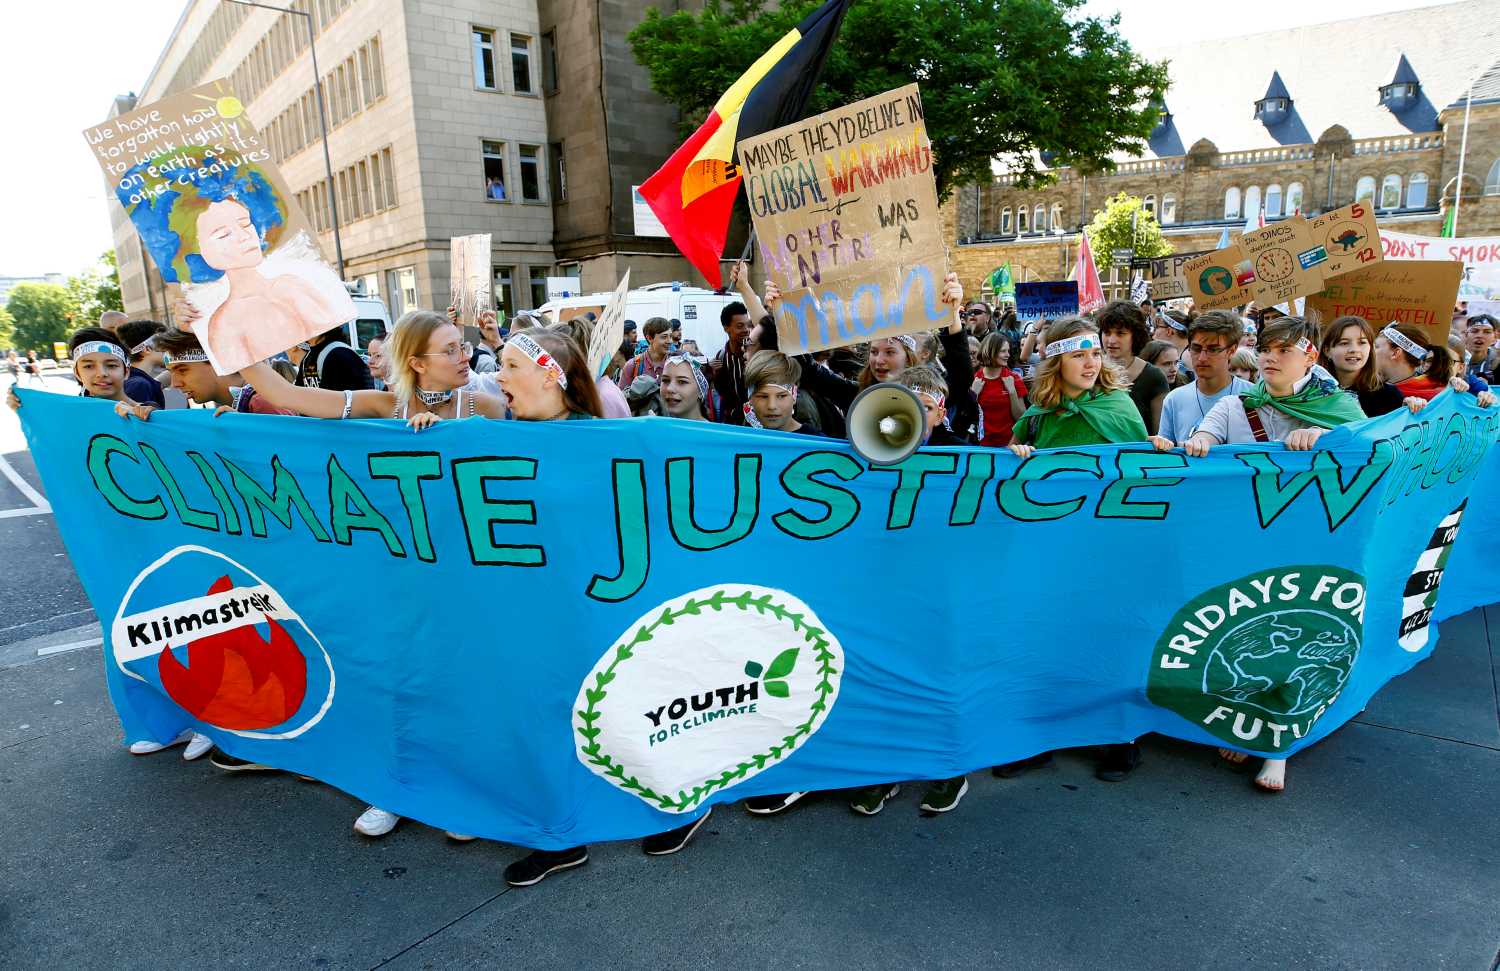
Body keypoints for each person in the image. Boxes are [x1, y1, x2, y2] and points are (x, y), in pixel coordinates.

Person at [1158, 316, 1423, 793]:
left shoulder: (1339, 407)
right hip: (1244, 543)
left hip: (1312, 544)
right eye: (1265, 349)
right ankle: (1244, 717)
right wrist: (1198, 442)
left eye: (1283, 350)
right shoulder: (1239, 403)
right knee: (1246, 637)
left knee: (1300, 640)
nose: (1270, 358)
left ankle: (1277, 748)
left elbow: (1375, 452)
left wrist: (1328, 440)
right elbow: (1206, 434)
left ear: (1309, 357)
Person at [999, 317, 1150, 782]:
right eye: (1078, 354)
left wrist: (1156, 449)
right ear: (1053, 361)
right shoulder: (1036, 417)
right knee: (1045, 643)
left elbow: (1144, 473)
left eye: (1095, 353)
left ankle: (1118, 738)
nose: (1090, 362)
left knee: (1108, 640)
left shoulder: (1118, 406)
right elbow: (1007, 475)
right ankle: (1040, 738)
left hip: (1109, 549)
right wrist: (1015, 456)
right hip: (1051, 551)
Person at [1157, 310, 1256, 444]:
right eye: (1196, 349)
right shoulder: (1174, 400)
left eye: (1213, 349)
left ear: (1231, 351)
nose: (1202, 358)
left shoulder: (1254, 396)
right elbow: (1167, 455)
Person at [153, 328, 298, 416]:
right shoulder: (250, 400)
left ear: (218, 363)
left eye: (183, 370)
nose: (174, 384)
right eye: (171, 372)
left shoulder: (261, 402)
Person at [1098, 300, 1169, 435]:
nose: (1111, 340)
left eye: (1120, 333)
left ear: (1135, 336)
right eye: (1107, 333)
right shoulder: (1089, 371)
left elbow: (1161, 434)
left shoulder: (1153, 377)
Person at [1319, 316, 1404, 417]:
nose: (1354, 349)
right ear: (1327, 351)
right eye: (1344, 343)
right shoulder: (1309, 392)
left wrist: (1414, 406)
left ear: (1370, 348)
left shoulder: (1389, 396)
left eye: (1362, 343)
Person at [742, 352, 821, 434]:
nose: (772, 406)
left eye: (781, 396)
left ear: (794, 395)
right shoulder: (741, 440)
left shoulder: (818, 444)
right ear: (750, 398)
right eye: (763, 396)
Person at [1375, 323, 1458, 400]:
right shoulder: (1369, 388)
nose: (1370, 352)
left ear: (1395, 353)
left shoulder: (1439, 398)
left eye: (1376, 347)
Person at [972, 332, 1028, 446]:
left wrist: (1012, 391)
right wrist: (973, 395)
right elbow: (968, 417)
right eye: (1003, 351)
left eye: (1008, 351)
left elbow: (1021, 419)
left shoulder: (1014, 378)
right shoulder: (975, 379)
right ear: (990, 352)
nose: (1008, 355)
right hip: (981, 446)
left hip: (1009, 446)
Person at [710, 298, 754, 424]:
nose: (746, 330)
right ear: (726, 328)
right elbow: (722, 391)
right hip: (735, 424)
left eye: (748, 325)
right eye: (740, 326)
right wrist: (714, 374)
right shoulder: (721, 357)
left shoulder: (757, 353)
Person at [116, 320, 169, 410]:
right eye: (164, 343)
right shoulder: (139, 385)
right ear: (147, 349)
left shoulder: (134, 380)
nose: (169, 348)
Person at [618, 317, 673, 388]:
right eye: (664, 337)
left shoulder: (675, 363)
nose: (670, 341)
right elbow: (622, 396)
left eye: (670, 336)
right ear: (649, 338)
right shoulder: (633, 365)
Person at [658, 354, 712, 420]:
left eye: (682, 382)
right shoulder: (653, 427)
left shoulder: (709, 430)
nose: (669, 389)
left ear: (701, 391)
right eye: (665, 380)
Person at [1463, 314, 1497, 382]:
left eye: (1487, 332)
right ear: (1466, 335)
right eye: (1474, 331)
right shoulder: (1453, 358)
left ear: (1495, 337)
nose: (1480, 336)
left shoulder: (1497, 364)